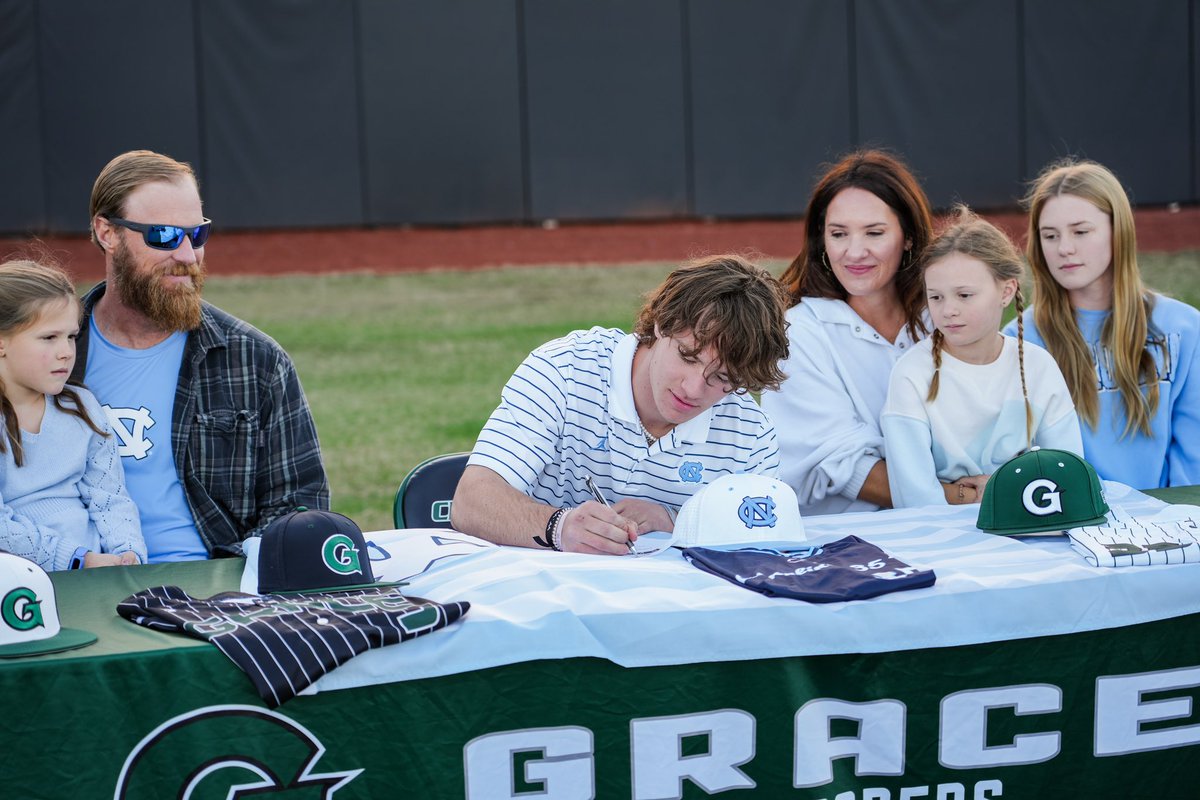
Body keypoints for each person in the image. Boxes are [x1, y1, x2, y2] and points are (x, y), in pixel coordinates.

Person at [71, 150, 329, 561]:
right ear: (108, 233)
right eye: (164, 236)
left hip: (215, 584)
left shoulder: (255, 360)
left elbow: (300, 505)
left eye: (197, 234)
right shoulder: (47, 357)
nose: (188, 255)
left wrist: (238, 571)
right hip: (77, 581)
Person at [451, 254, 790, 555]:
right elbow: (471, 502)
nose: (693, 389)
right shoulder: (564, 370)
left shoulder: (750, 434)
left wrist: (675, 520)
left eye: (722, 378)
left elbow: (767, 541)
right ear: (662, 323)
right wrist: (560, 527)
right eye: (688, 357)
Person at [762, 149, 977, 515]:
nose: (854, 252)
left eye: (874, 233)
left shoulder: (941, 318)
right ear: (822, 240)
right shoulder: (798, 333)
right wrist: (959, 497)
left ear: (908, 237)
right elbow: (845, 467)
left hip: (949, 524)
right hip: (849, 537)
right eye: (839, 234)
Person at [1007, 159, 1200, 488]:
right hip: (1068, 514)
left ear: (1117, 231)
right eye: (1050, 235)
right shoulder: (1018, 340)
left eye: (1081, 232)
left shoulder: (1184, 329)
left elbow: (1193, 459)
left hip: (1169, 513)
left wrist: (1166, 513)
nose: (1064, 248)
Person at [882, 207, 1083, 508]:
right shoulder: (911, 373)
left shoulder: (1038, 366)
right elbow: (914, 494)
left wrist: (1003, 490)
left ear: (1006, 291)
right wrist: (979, 497)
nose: (948, 310)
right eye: (936, 297)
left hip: (1024, 519)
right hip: (941, 528)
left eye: (964, 295)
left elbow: (1068, 475)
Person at [0, 259, 146, 570]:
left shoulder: (82, 407)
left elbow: (109, 496)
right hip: (20, 579)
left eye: (70, 337)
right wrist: (77, 560)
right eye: (49, 338)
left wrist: (127, 552)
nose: (66, 352)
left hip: (97, 572)